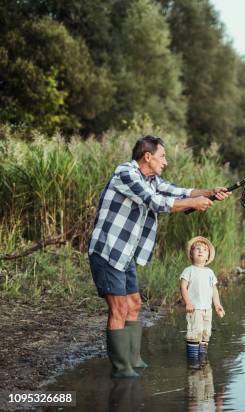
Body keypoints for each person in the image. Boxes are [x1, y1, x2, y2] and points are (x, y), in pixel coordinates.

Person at [88, 135, 230, 378]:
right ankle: (122, 369)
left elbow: (179, 191)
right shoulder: (126, 173)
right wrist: (193, 204)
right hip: (107, 252)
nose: (165, 161)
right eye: (162, 156)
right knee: (119, 308)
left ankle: (133, 360)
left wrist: (211, 192)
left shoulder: (151, 179)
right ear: (147, 156)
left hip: (126, 255)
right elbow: (154, 202)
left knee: (135, 304)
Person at [180, 236, 225, 361]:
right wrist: (188, 302)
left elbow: (214, 290)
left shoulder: (209, 272)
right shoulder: (189, 270)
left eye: (204, 250)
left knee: (205, 334)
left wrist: (217, 304)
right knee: (194, 333)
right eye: (197, 249)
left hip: (207, 309)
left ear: (207, 256)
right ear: (191, 254)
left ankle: (203, 358)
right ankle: (193, 361)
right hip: (195, 308)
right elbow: (183, 287)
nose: (200, 251)